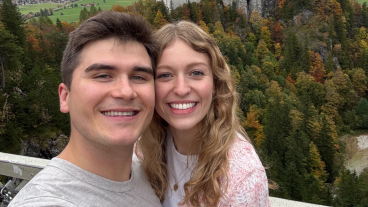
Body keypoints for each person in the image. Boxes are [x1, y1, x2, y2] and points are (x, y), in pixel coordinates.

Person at [9, 11, 161, 207]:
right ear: (65, 97)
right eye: (103, 75)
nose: (125, 92)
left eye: (139, 77)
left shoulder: (147, 174)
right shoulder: (47, 201)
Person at [136, 20, 270, 207]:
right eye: (165, 75)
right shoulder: (145, 148)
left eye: (196, 73)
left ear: (215, 84)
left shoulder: (241, 178)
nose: (181, 89)